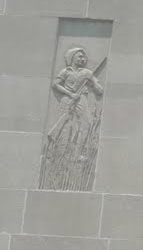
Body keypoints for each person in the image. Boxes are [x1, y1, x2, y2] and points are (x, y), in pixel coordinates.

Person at [40, 47, 105, 190]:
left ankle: (78, 154)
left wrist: (93, 83)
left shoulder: (87, 73)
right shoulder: (66, 71)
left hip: (81, 100)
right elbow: (55, 84)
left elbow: (100, 91)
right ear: (72, 57)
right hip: (67, 100)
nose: (82, 59)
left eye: (83, 57)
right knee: (64, 128)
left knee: (87, 124)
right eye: (79, 56)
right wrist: (70, 94)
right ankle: (57, 151)